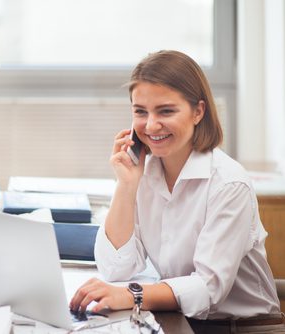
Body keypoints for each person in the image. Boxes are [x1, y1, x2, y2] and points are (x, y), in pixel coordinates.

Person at [69, 50, 284, 333]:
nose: (151, 125)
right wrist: (126, 185)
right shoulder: (143, 172)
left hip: (240, 327)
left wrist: (132, 294)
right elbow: (115, 269)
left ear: (198, 112)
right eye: (140, 111)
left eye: (166, 111)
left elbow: (208, 287)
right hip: (180, 319)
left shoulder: (229, 184)